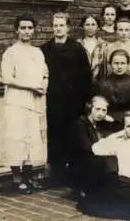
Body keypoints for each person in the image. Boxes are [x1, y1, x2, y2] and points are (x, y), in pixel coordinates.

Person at [0, 14, 48, 194]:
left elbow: (45, 74)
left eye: (30, 28)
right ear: (16, 30)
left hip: (34, 101)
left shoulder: (37, 52)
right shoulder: (11, 52)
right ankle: (17, 179)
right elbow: (7, 77)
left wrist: (43, 86)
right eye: (23, 28)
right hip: (16, 101)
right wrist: (31, 86)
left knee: (31, 139)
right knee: (16, 138)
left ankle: (28, 177)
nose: (27, 31)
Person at [41, 13, 92, 186]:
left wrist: (86, 100)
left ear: (68, 28)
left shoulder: (77, 49)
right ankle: (56, 174)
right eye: (55, 25)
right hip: (53, 101)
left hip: (73, 102)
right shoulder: (45, 49)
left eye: (61, 25)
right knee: (54, 136)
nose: (58, 28)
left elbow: (86, 76)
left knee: (72, 136)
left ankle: (72, 174)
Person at [69, 95, 118, 197]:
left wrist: (112, 121)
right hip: (82, 163)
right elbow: (86, 147)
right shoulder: (80, 124)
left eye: (104, 110)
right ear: (90, 108)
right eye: (97, 109)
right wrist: (108, 151)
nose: (100, 113)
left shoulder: (100, 124)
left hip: (96, 160)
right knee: (107, 160)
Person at [94, 49, 130, 130]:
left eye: (123, 63)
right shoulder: (102, 84)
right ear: (110, 64)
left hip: (128, 123)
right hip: (107, 122)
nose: (119, 66)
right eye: (116, 63)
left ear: (127, 64)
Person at [92, 17, 130, 82]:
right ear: (116, 31)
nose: (124, 33)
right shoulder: (107, 47)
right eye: (120, 30)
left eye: (127, 30)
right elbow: (102, 73)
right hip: (111, 85)